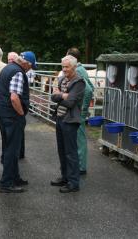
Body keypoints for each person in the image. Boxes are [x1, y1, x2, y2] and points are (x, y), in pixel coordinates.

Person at [0, 55, 32, 193]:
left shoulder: (7, 68)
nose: (29, 70)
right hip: (13, 116)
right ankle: (6, 183)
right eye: (31, 67)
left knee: (9, 147)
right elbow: (14, 97)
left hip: (4, 114)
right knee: (12, 150)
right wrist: (21, 114)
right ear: (26, 64)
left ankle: (15, 177)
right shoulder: (18, 72)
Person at [50, 55, 85, 193]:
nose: (64, 69)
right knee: (61, 150)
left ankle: (73, 182)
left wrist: (61, 95)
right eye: (63, 66)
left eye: (67, 67)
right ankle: (65, 177)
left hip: (70, 120)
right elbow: (53, 96)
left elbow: (71, 102)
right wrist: (63, 95)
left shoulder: (79, 82)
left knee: (70, 152)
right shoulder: (62, 79)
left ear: (74, 67)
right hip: (60, 118)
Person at [67, 47, 94, 175]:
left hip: (78, 111)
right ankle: (80, 165)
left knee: (79, 137)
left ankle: (80, 166)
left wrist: (82, 108)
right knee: (80, 136)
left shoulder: (77, 71)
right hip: (80, 109)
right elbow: (92, 87)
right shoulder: (82, 69)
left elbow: (88, 90)